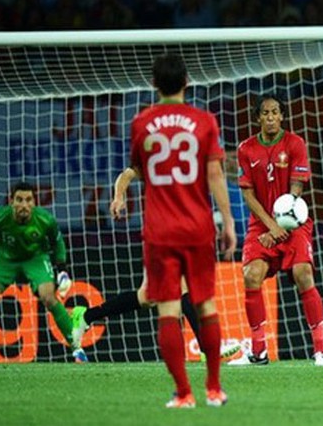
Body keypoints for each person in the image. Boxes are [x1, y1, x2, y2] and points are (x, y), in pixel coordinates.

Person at [118, 52, 236, 408]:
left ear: (154, 84)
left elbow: (137, 170)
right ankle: (214, 388)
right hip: (197, 227)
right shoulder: (203, 121)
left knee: (167, 309)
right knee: (206, 305)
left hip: (159, 230)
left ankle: (184, 393)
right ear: (187, 82)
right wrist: (227, 221)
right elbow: (215, 174)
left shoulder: (141, 123)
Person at [69, 169, 241, 362]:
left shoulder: (188, 161)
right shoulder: (156, 157)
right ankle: (208, 348)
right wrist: (118, 197)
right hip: (159, 233)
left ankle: (86, 316)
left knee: (147, 297)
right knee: (183, 286)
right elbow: (127, 175)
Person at [229, 93, 323, 367]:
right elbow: (248, 195)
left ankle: (320, 351)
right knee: (251, 275)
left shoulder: (295, 143)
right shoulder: (246, 149)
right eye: (265, 113)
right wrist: (271, 225)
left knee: (303, 273)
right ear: (258, 118)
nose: (271, 117)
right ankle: (259, 352)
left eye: (275, 112)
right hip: (262, 224)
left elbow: (297, 185)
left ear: (282, 116)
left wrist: (282, 219)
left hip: (293, 220)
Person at [0, 181, 88, 364]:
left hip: (36, 259)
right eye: (20, 200)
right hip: (6, 260)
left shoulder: (45, 220)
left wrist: (62, 270)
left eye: (29, 200)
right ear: (11, 202)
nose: (24, 205)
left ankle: (77, 349)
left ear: (34, 202)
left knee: (49, 297)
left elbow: (58, 242)